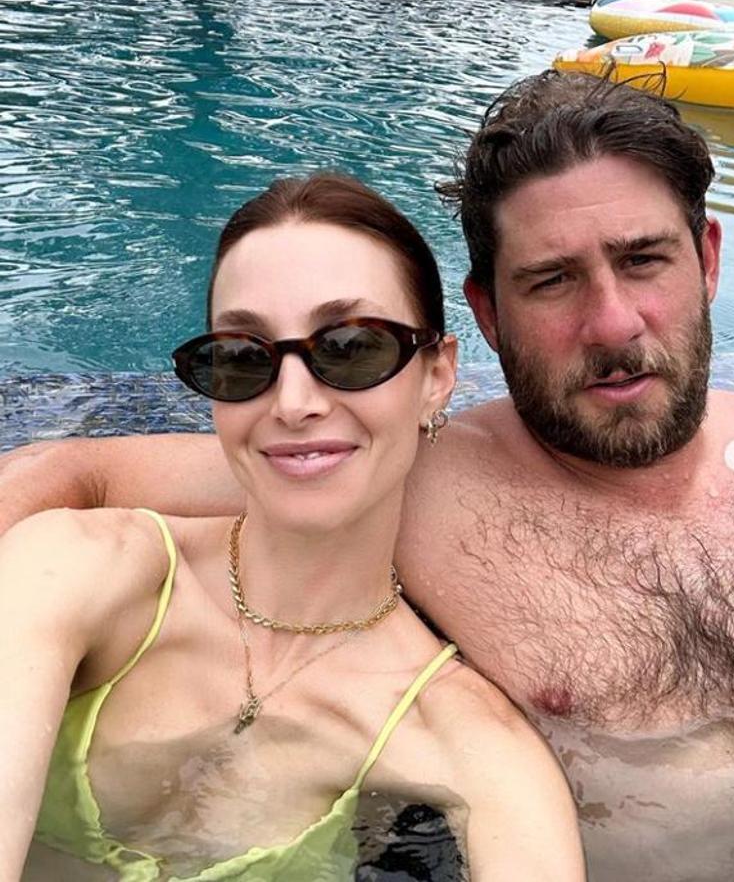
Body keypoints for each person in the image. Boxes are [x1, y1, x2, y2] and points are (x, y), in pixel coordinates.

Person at [2, 69, 734, 880]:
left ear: (707, 261)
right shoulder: (419, 474)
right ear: (487, 315)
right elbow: (79, 472)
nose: (612, 322)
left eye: (643, 259)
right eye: (552, 279)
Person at [0, 173, 584, 881]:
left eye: (352, 347)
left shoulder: (470, 743)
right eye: (242, 357)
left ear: (436, 377)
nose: (293, 402)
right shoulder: (75, 568)